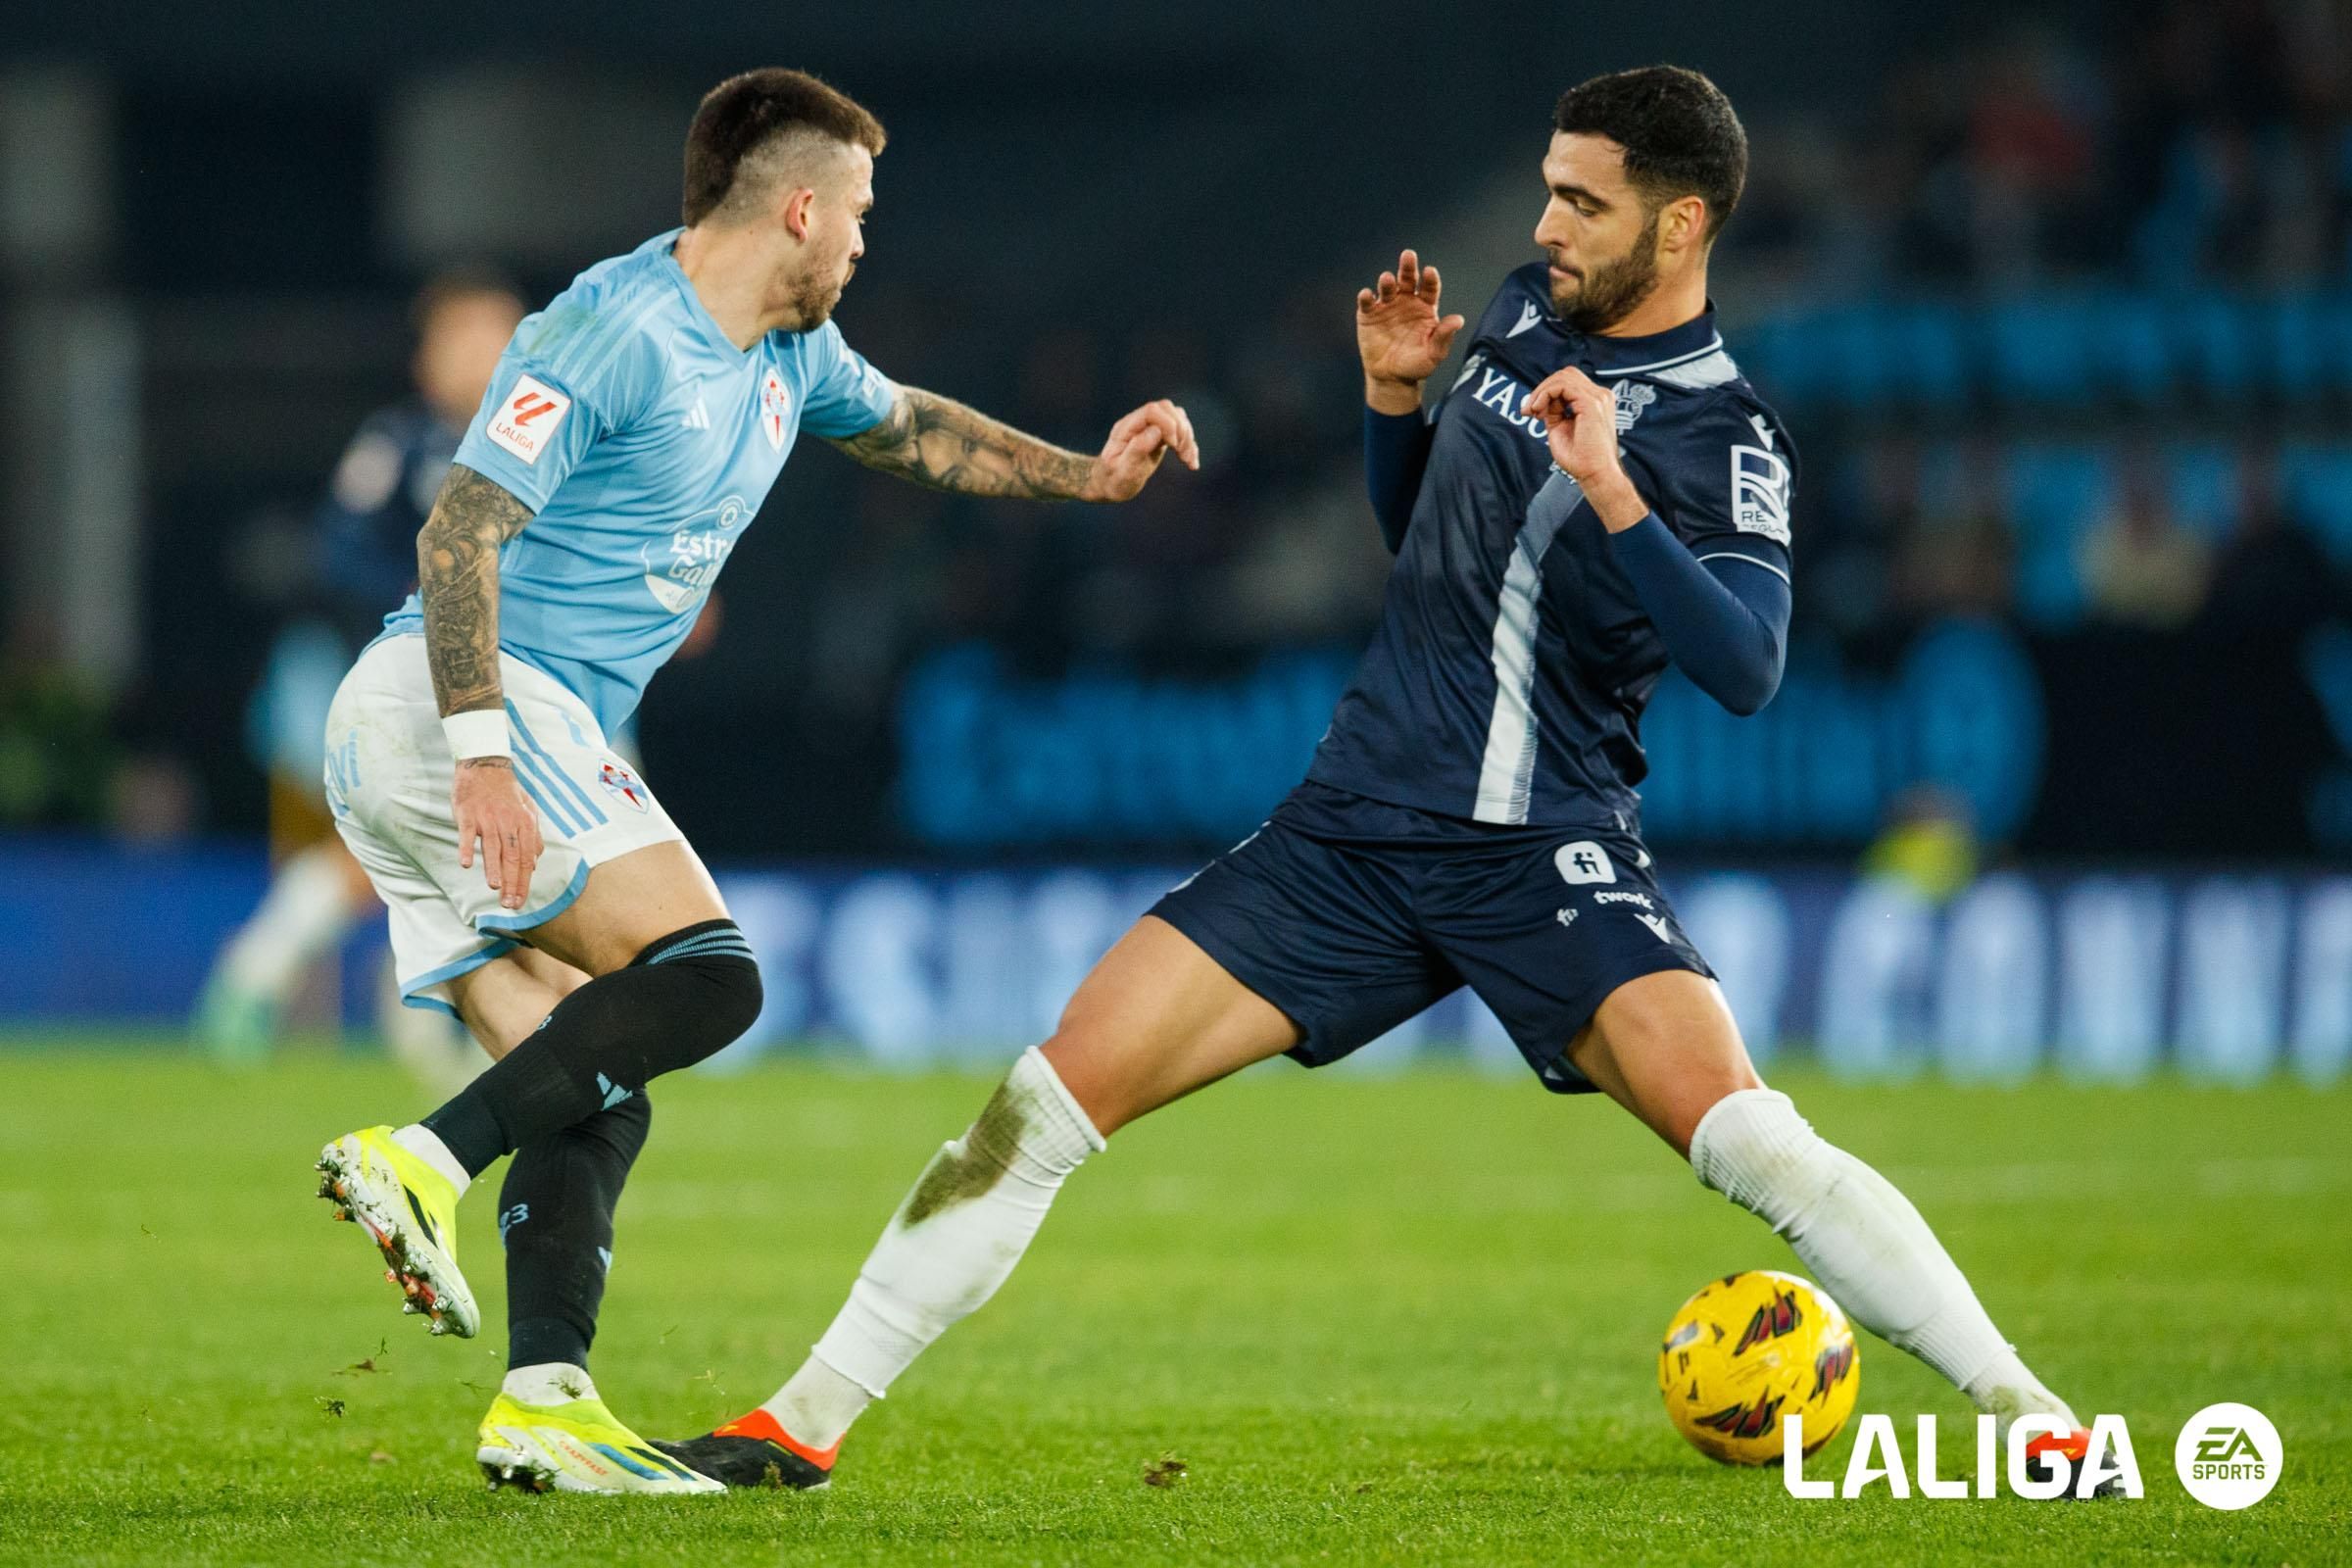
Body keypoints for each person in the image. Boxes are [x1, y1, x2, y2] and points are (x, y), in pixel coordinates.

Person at [658, 66, 2106, 1495]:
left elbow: (1747, 664)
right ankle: (796, 1427)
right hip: (1347, 833)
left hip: (1539, 851)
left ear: (1678, 229)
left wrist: (1614, 488)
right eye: (1547, 187)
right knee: (1038, 1105)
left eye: (1583, 201)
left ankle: (2030, 1415)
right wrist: (1391, 406)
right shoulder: (1529, 313)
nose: (1546, 223)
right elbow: (1427, 533)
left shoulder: (1723, 434)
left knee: (1748, 1139)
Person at [311, 67, 1199, 1494]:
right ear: (797, 207)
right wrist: (483, 756)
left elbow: (910, 427)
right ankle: (419, 1159)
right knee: (712, 972)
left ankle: (545, 1400)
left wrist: (1090, 479)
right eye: (855, 211)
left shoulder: (790, 351)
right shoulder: (611, 328)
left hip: (457, 726)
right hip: (458, 703)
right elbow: (457, 532)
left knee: (594, 1084)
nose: (862, 241)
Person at [195, 274, 523, 1082]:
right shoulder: (404, 443)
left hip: (520, 681)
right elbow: (337, 548)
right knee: (404, 847)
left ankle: (401, 1021)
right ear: (427, 358)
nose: (488, 357)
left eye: (503, 338)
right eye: (467, 339)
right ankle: (268, 976)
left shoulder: (541, 443)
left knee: (449, 856)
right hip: (413, 677)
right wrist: (424, 605)